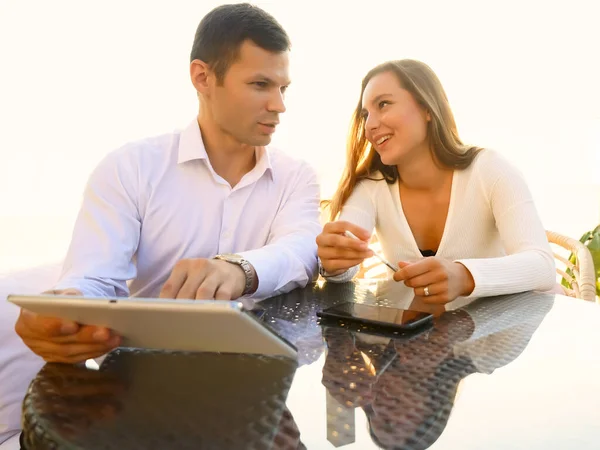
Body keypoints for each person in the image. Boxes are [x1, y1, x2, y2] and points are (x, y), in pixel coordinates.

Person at [14, 3, 321, 364]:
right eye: (260, 85)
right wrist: (65, 308)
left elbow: (302, 251)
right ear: (203, 77)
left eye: (284, 87)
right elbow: (93, 278)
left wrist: (239, 270)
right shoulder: (130, 167)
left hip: (257, 373)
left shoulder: (296, 175)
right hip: (143, 378)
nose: (279, 105)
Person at [316, 59, 555, 307]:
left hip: (489, 340)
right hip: (406, 343)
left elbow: (541, 264)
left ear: (427, 108)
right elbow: (344, 266)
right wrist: (335, 264)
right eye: (366, 115)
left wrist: (464, 276)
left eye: (383, 104)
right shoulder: (370, 186)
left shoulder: (490, 169)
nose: (370, 126)